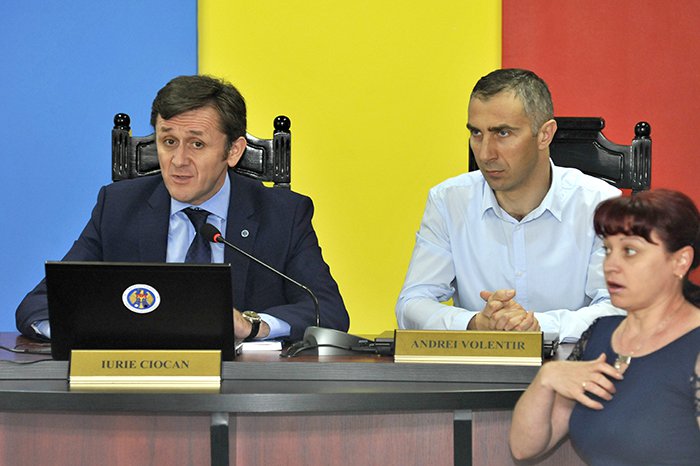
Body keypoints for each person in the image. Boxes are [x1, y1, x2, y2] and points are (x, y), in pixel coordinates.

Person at [16, 75, 349, 342]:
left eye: (197, 144)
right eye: (169, 141)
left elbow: (328, 311)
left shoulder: (282, 215)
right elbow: (38, 306)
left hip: (243, 388)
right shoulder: (117, 208)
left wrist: (253, 325)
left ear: (234, 151)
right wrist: (92, 330)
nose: (178, 161)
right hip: (138, 385)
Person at [395, 68, 623, 341]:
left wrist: (536, 326)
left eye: (502, 133)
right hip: (479, 366)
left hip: (575, 365)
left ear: (545, 134)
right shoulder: (448, 201)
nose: (485, 154)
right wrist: (474, 324)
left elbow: (618, 308)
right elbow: (412, 303)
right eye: (476, 133)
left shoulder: (600, 204)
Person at [509, 189, 700, 465]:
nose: (611, 265)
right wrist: (547, 377)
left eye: (630, 251)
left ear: (680, 261)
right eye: (608, 250)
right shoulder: (599, 334)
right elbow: (524, 448)